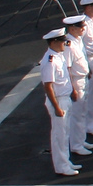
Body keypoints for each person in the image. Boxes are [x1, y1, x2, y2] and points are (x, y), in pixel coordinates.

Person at [39, 28, 78, 176]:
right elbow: (48, 86)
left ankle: (66, 162)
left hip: (65, 98)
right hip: (58, 101)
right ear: (54, 42)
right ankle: (61, 167)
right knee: (59, 135)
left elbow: (66, 78)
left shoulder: (59, 56)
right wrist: (56, 107)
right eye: (62, 41)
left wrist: (72, 90)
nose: (65, 44)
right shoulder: (49, 61)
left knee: (65, 133)